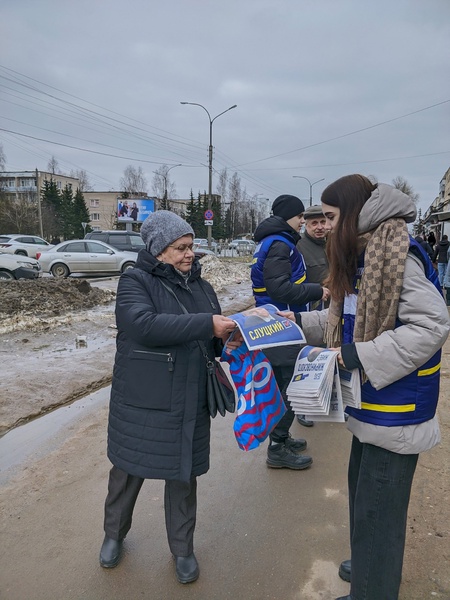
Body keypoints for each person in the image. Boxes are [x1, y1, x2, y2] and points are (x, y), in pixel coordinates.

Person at [284, 175, 449, 600]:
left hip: (395, 414)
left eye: (333, 217)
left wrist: (359, 356)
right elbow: (348, 321)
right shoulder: (364, 255)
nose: (326, 225)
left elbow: (433, 324)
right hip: (371, 408)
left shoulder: (397, 257)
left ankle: (373, 586)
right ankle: (370, 564)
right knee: (367, 507)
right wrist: (295, 325)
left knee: (378, 515)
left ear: (356, 215)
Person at [99, 210, 239, 584]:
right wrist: (207, 324)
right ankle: (113, 534)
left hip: (189, 397)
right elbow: (142, 325)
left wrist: (227, 337)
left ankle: (183, 549)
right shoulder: (135, 281)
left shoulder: (201, 287)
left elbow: (208, 338)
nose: (189, 254)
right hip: (143, 398)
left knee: (183, 476)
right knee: (127, 471)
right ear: (159, 249)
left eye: (191, 246)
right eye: (181, 248)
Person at [251, 194, 330, 470]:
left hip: (279, 324)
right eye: (299, 217)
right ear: (289, 217)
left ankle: (281, 438)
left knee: (285, 384)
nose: (301, 222)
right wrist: (316, 290)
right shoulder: (279, 245)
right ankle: (277, 447)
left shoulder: (275, 242)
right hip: (279, 326)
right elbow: (279, 289)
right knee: (286, 387)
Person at [296, 204, 330, 427]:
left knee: (330, 354)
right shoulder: (298, 247)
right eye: (314, 223)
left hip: (333, 309)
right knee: (306, 358)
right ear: (306, 225)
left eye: (323, 222)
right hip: (309, 310)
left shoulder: (335, 244)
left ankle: (329, 400)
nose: (319, 227)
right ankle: (303, 407)